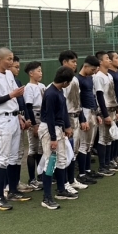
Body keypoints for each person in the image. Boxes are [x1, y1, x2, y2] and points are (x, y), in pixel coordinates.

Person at [0, 48, 31, 211]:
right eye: (8, 59)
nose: (11, 62)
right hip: (2, 120)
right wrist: (12, 95)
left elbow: (14, 99)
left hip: (14, 118)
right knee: (3, 159)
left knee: (15, 157)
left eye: (12, 59)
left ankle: (13, 190)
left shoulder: (9, 74)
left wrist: (19, 115)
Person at [39, 67, 77, 208]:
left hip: (57, 128)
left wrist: (66, 126)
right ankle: (46, 198)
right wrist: (53, 138)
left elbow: (62, 110)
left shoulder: (59, 91)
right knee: (50, 162)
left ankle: (61, 190)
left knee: (61, 161)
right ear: (65, 82)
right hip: (49, 129)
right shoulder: (51, 93)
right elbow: (49, 117)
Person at [59, 50, 88, 192]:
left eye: (76, 61)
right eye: (73, 61)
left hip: (76, 116)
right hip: (68, 118)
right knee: (66, 152)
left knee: (74, 151)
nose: (75, 64)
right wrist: (66, 124)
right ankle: (64, 183)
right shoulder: (62, 80)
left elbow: (78, 102)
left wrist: (82, 119)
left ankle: (71, 180)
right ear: (64, 62)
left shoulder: (74, 79)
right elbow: (63, 104)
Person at [93, 52, 118, 176]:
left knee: (109, 138)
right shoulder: (98, 76)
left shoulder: (109, 75)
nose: (109, 60)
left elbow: (112, 95)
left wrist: (117, 109)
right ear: (100, 62)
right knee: (103, 138)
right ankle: (102, 166)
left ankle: (108, 163)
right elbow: (99, 96)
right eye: (107, 58)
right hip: (105, 111)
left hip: (112, 109)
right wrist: (105, 115)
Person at [8, 56, 33, 192]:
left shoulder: (17, 81)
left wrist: (27, 119)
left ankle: (16, 182)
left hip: (20, 119)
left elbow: (22, 103)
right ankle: (8, 185)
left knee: (18, 154)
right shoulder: (5, 82)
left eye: (18, 67)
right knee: (10, 156)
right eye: (16, 67)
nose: (18, 69)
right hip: (10, 120)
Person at [77, 55, 101, 184]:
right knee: (83, 144)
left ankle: (87, 170)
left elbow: (92, 95)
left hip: (92, 111)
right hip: (84, 111)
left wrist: (97, 113)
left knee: (89, 145)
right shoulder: (77, 79)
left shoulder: (90, 78)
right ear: (85, 66)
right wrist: (82, 119)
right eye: (92, 69)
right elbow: (78, 101)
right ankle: (82, 173)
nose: (93, 72)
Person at [22, 61, 45, 190]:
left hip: (43, 117)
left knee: (41, 149)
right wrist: (35, 125)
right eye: (38, 71)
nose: (41, 73)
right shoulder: (28, 87)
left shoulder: (42, 86)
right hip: (34, 117)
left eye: (41, 70)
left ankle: (40, 176)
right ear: (31, 73)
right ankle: (32, 179)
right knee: (33, 149)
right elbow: (28, 107)